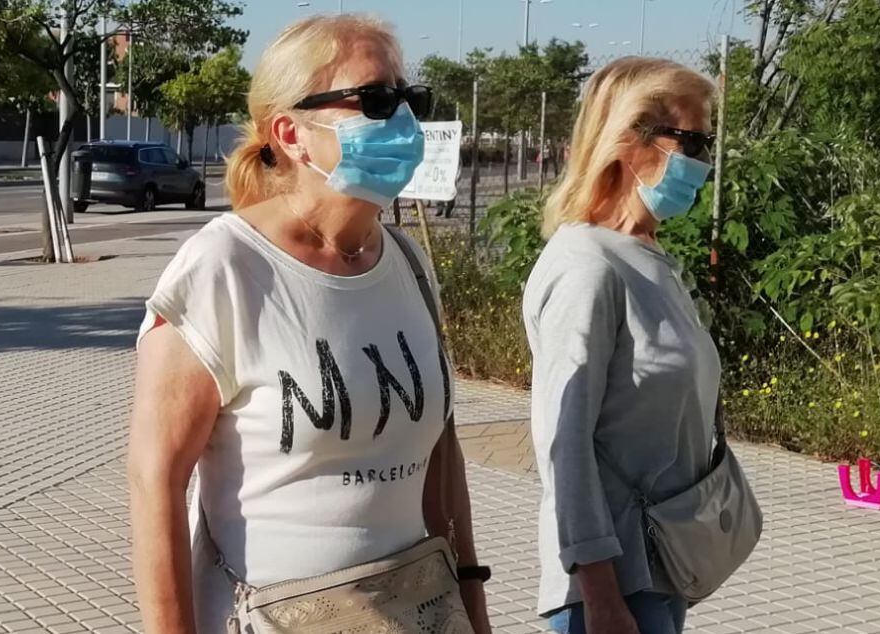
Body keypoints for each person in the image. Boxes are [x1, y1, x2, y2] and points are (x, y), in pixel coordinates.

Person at [128, 14, 490, 634]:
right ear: (291, 133)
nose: (402, 120)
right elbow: (154, 479)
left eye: (408, 98)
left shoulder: (407, 261)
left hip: (419, 613)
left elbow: (442, 460)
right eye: (375, 100)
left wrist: (473, 606)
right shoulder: (224, 267)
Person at [522, 57, 721, 634]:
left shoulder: (644, 254)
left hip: (656, 567)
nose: (702, 162)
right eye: (693, 141)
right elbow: (563, 444)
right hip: (609, 590)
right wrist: (602, 598)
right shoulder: (588, 266)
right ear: (629, 142)